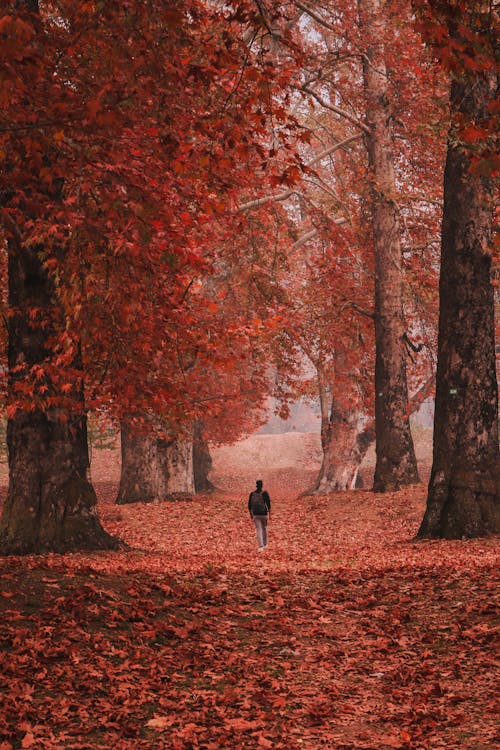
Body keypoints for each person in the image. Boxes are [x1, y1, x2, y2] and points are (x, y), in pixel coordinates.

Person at [248, 479, 271, 551]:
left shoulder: (252, 494)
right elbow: (268, 504)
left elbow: (249, 505)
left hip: (255, 514)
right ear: (262, 485)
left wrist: (251, 514)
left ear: (256, 485)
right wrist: (269, 513)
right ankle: (265, 544)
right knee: (264, 528)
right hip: (263, 514)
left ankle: (260, 546)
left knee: (258, 529)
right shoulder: (265, 493)